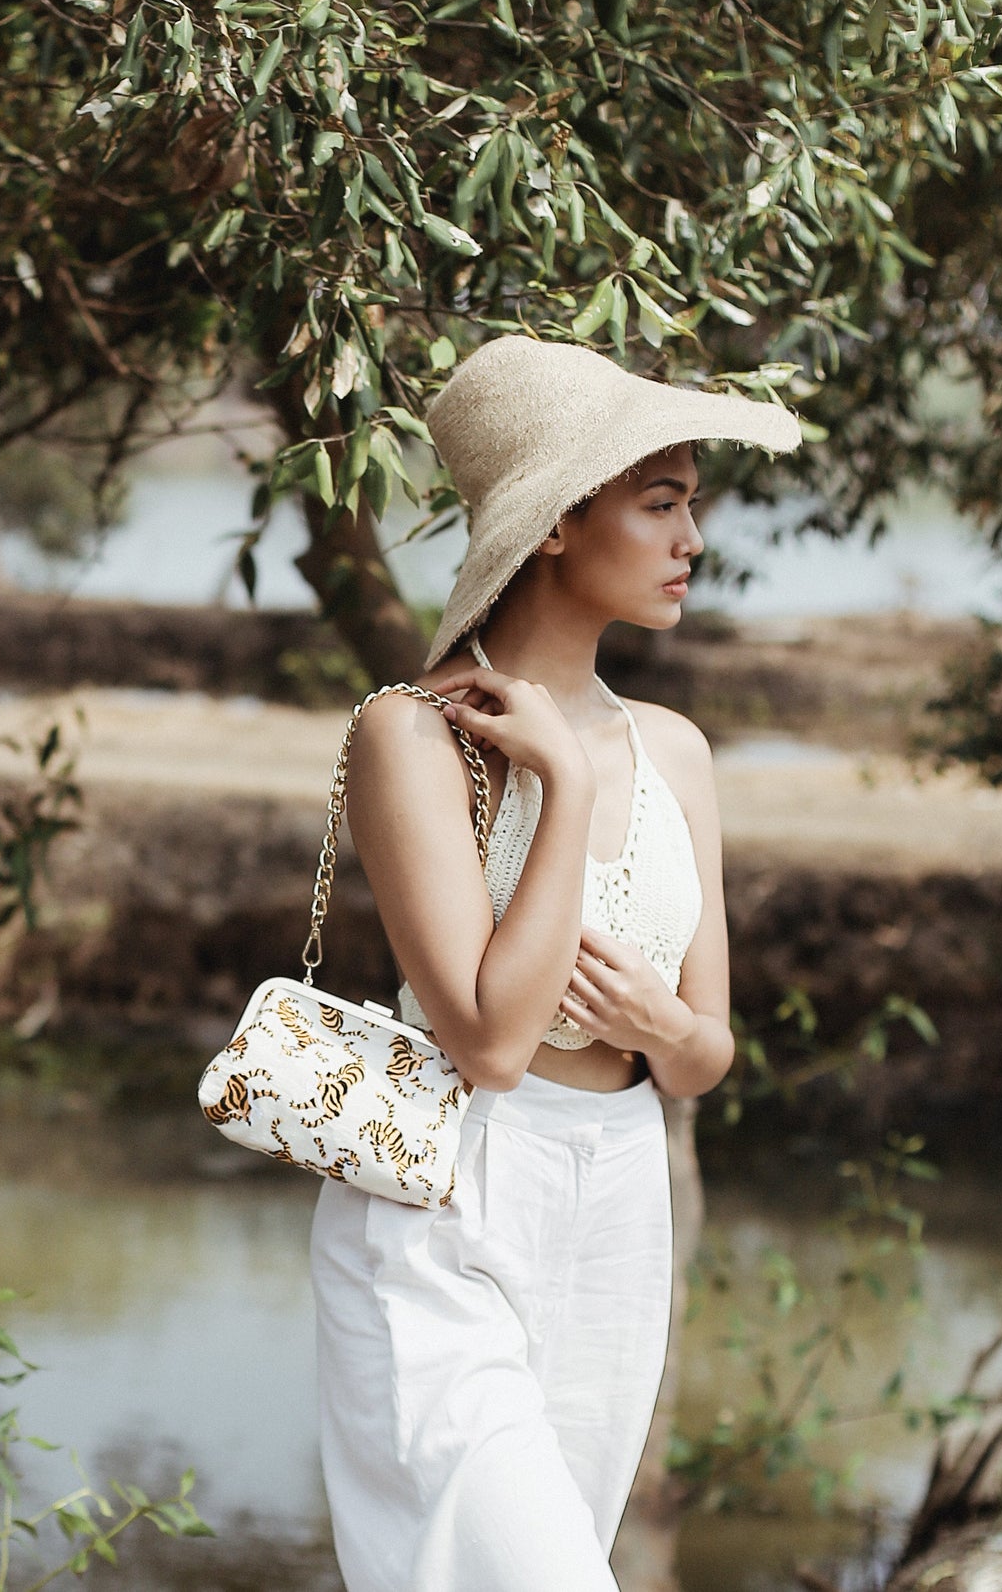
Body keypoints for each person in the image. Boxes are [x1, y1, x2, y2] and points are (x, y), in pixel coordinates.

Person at [307, 336, 803, 1592]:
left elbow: (704, 1055)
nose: (691, 536)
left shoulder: (680, 750)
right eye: (660, 502)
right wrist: (565, 786)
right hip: (449, 1198)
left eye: (689, 501)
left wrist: (655, 1022)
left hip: (617, 1202)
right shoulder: (409, 737)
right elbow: (487, 1040)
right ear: (551, 528)